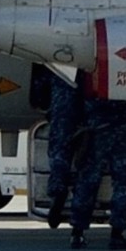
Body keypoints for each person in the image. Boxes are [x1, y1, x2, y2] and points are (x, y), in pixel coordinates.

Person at [69, 90, 126, 250]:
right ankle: (117, 234)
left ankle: (77, 233)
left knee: (87, 182)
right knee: (122, 185)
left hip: (97, 132)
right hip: (125, 135)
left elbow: (82, 101)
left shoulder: (97, 71)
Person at [43, 70, 87, 229]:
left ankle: (57, 191)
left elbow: (40, 88)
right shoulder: (84, 71)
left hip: (60, 117)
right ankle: (79, 204)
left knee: (59, 158)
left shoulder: (56, 71)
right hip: (82, 117)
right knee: (83, 162)